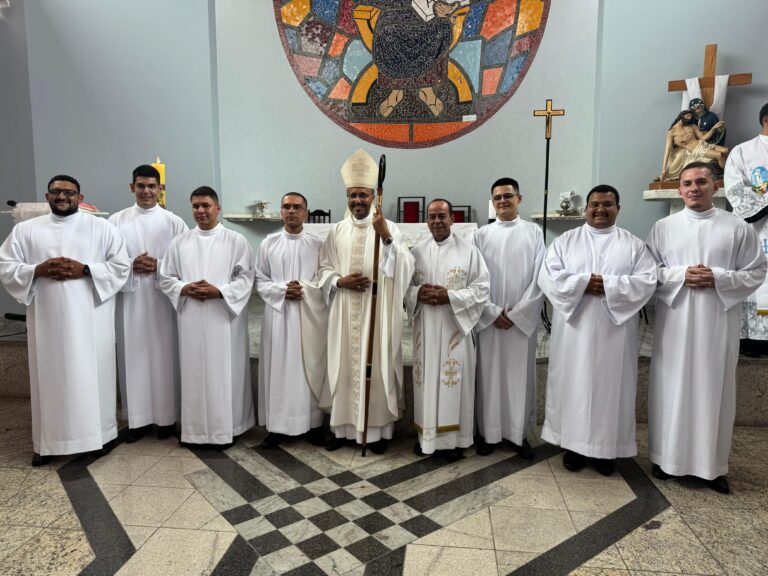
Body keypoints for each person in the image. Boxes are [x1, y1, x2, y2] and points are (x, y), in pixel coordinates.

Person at [647, 162, 767, 493]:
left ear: (715, 186)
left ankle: (711, 466)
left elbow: (756, 271)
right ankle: (665, 458)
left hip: (717, 323)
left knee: (714, 388)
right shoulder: (663, 228)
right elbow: (647, 273)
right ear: (679, 189)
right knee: (671, 387)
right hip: (676, 323)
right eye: (687, 183)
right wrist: (679, 275)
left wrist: (718, 277)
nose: (694, 188)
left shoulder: (737, 227)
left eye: (701, 181)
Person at [0, 175, 130, 465]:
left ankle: (98, 438)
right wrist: (38, 269)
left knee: (92, 375)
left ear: (80, 198)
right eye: (56, 192)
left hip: (91, 321)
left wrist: (84, 270)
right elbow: (6, 266)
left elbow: (121, 267)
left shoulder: (101, 228)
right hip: (48, 321)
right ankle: (47, 444)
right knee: (51, 379)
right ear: (47, 197)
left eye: (69, 192)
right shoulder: (25, 231)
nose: (62, 197)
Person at [301, 149, 414, 454]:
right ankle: (342, 430)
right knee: (343, 366)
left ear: (372, 197)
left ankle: (377, 432)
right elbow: (323, 269)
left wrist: (386, 237)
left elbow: (405, 266)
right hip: (344, 311)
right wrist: (339, 281)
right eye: (353, 196)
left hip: (378, 312)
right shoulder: (336, 231)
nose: (358, 201)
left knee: (377, 366)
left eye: (363, 195)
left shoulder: (389, 228)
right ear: (347, 197)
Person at [538, 184, 656, 476]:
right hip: (575, 332)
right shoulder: (565, 241)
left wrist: (609, 285)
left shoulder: (633, 245)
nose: (600, 209)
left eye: (607, 204)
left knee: (610, 388)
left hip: (614, 334)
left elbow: (647, 281)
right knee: (573, 385)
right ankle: (573, 448)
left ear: (618, 208)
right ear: (586, 208)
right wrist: (582, 284)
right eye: (595, 204)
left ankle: (606, 452)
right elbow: (548, 276)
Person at [159, 186, 255, 447]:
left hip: (223, 319)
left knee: (225, 373)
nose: (200, 211)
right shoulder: (180, 242)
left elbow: (247, 278)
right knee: (193, 372)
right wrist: (184, 288)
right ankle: (194, 431)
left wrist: (220, 291)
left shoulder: (236, 241)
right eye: (195, 206)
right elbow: (165, 277)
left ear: (217, 208)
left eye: (205, 205)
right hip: (190, 317)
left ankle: (228, 428)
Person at [108, 165, 188, 442]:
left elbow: (186, 260)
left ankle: (167, 419)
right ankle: (137, 420)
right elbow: (107, 260)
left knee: (166, 355)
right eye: (140, 186)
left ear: (160, 189)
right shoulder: (115, 221)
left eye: (151, 186)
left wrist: (159, 264)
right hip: (130, 299)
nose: (146, 191)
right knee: (132, 355)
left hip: (162, 298)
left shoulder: (174, 222)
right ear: (132, 188)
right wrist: (131, 264)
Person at [406, 199, 489, 461]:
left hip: (455, 331)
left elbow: (481, 290)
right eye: (432, 217)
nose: (437, 221)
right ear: (426, 220)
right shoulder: (416, 252)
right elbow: (404, 289)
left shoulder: (469, 251)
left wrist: (449, 297)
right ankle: (426, 439)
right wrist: (418, 293)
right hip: (427, 333)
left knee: (454, 384)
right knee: (427, 382)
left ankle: (455, 441)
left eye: (442, 216)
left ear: (453, 219)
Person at [474, 178, 544, 458]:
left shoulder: (534, 233)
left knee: (519, 377)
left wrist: (518, 313)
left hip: (519, 321)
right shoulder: (480, 235)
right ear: (492, 202)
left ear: (519, 199)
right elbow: (474, 278)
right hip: (490, 320)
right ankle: (489, 435)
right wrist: (491, 312)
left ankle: (518, 435)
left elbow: (540, 278)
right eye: (497, 197)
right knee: (488, 376)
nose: (502, 201)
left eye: (508, 196)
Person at [255, 192, 325, 448]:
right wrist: (283, 290)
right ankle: (278, 427)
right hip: (278, 316)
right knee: (279, 368)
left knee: (309, 368)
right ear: (280, 211)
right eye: (286, 207)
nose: (291, 211)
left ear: (306, 212)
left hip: (309, 316)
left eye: (297, 207)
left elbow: (324, 278)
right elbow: (260, 279)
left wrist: (305, 288)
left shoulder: (318, 244)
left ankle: (313, 425)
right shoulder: (268, 243)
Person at [373, 0, 469, 118]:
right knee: (388, 32)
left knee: (439, 29)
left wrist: (452, 5)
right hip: (397, 11)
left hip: (435, 15)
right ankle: (396, 89)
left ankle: (427, 90)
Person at [723, 102, 768, 357]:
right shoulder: (743, 152)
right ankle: (753, 340)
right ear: (765, 119)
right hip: (756, 232)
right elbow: (735, 188)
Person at [660, 109, 728, 181]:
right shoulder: (672, 132)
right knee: (720, 155)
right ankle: (727, 174)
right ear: (681, 116)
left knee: (726, 150)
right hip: (697, 150)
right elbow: (667, 150)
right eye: (688, 116)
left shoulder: (692, 126)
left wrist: (713, 128)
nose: (689, 118)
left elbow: (703, 138)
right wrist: (664, 169)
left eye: (690, 117)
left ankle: (721, 171)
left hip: (703, 144)